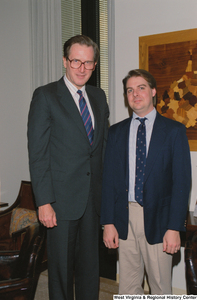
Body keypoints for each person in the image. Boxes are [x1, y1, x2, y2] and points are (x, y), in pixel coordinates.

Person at [28, 35, 109, 300]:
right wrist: (44, 202)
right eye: (76, 61)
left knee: (89, 268)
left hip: (91, 200)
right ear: (65, 61)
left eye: (88, 63)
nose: (82, 68)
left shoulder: (98, 96)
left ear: (94, 65)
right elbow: (38, 154)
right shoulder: (46, 96)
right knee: (61, 271)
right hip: (59, 202)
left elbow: (102, 150)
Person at [100, 69, 191, 295]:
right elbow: (109, 181)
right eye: (130, 90)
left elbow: (182, 183)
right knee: (128, 288)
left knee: (161, 287)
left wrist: (174, 227)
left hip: (160, 220)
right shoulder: (115, 132)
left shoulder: (174, 131)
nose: (135, 94)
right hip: (124, 217)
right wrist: (108, 222)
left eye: (141, 88)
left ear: (153, 92)